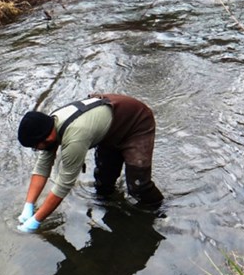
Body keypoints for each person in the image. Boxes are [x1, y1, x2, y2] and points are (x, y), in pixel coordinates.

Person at [16, 93, 164, 233]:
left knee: (138, 186)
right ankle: (113, 217)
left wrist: (36, 220)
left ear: (45, 139)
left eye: (36, 147)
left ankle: (162, 212)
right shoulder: (49, 127)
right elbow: (42, 167)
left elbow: (63, 185)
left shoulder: (74, 139)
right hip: (110, 128)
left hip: (135, 121)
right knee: (103, 185)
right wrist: (28, 205)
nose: (37, 150)